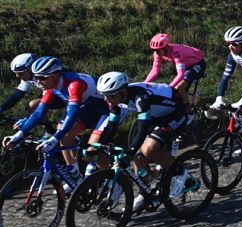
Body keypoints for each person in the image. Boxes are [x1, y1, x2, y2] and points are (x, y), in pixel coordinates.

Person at [90, 71, 196, 211]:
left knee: (148, 149)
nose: (106, 99)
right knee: (136, 154)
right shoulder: (117, 99)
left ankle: (181, 172)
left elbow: (142, 127)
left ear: (122, 92)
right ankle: (144, 193)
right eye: (104, 95)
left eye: (109, 96)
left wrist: (129, 152)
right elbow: (111, 127)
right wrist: (98, 146)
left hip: (175, 113)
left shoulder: (140, 97)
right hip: (157, 116)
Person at [2, 56, 107, 186]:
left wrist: (53, 139)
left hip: (108, 108)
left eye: (42, 78)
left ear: (55, 75)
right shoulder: (50, 86)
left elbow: (73, 115)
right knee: (64, 134)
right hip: (88, 107)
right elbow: (39, 113)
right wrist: (17, 135)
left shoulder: (75, 84)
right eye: (37, 77)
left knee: (92, 149)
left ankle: (113, 181)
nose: (38, 81)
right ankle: (75, 175)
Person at [144, 33, 206, 99]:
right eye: (154, 50)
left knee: (178, 88)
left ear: (166, 48)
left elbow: (180, 74)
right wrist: (143, 84)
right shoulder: (157, 53)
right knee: (176, 94)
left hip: (198, 63)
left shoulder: (176, 52)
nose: (156, 53)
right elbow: (155, 71)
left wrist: (168, 88)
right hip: (187, 66)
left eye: (158, 50)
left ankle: (186, 108)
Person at [0, 53, 42, 118]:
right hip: (55, 95)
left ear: (30, 69)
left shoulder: (45, 75)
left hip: (61, 96)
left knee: (33, 105)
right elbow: (16, 96)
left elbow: (50, 96)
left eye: (20, 73)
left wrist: (27, 118)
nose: (17, 76)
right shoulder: (30, 76)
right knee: (33, 107)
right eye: (16, 73)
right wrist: (1, 108)